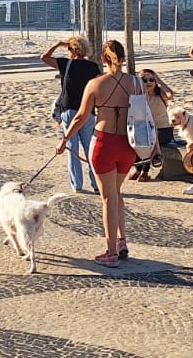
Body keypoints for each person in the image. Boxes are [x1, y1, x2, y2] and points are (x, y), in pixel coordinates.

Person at [56, 39, 140, 267]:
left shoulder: (95, 84)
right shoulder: (136, 83)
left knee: (108, 199)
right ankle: (122, 241)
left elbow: (81, 116)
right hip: (129, 145)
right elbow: (145, 114)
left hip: (105, 143)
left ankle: (111, 251)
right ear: (123, 58)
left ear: (103, 58)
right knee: (116, 193)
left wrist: (65, 139)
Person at [42, 35, 101, 192]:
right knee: (89, 148)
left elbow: (44, 57)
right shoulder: (92, 67)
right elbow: (99, 87)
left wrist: (57, 44)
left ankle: (77, 185)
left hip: (70, 110)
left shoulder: (65, 64)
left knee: (72, 148)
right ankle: (96, 184)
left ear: (73, 49)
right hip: (88, 111)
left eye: (69, 48)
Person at [128, 68, 175, 182]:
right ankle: (138, 169)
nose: (148, 82)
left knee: (151, 139)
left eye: (151, 80)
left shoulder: (160, 94)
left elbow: (170, 95)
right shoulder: (138, 97)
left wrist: (159, 80)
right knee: (138, 138)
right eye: (145, 80)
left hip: (163, 129)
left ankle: (145, 171)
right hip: (145, 129)